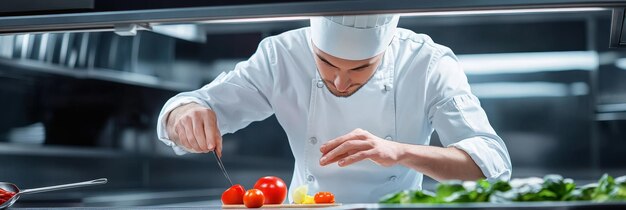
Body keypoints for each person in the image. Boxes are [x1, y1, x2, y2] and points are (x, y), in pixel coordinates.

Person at [156, 14, 512, 203]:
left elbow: (491, 165)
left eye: (360, 68)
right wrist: (184, 113)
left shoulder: (428, 63)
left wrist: (399, 152)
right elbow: (194, 106)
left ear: (386, 48)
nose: (340, 82)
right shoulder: (282, 55)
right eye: (325, 63)